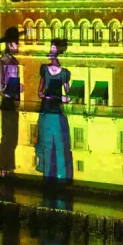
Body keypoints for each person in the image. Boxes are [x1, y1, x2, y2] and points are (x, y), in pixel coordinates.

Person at [35, 39, 73, 179]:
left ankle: (61, 176)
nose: (50, 52)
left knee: (59, 144)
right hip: (46, 110)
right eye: (50, 49)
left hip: (57, 112)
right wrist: (46, 96)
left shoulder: (64, 73)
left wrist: (63, 98)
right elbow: (39, 92)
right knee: (46, 144)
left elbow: (69, 95)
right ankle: (47, 175)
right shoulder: (44, 69)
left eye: (53, 49)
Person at [0, 26, 22, 174]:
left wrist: (18, 87)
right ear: (10, 44)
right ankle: (3, 167)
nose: (18, 45)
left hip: (14, 101)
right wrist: (9, 89)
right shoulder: (3, 61)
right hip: (7, 100)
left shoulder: (14, 61)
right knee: (7, 136)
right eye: (16, 43)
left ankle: (9, 166)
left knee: (13, 136)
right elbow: (0, 85)